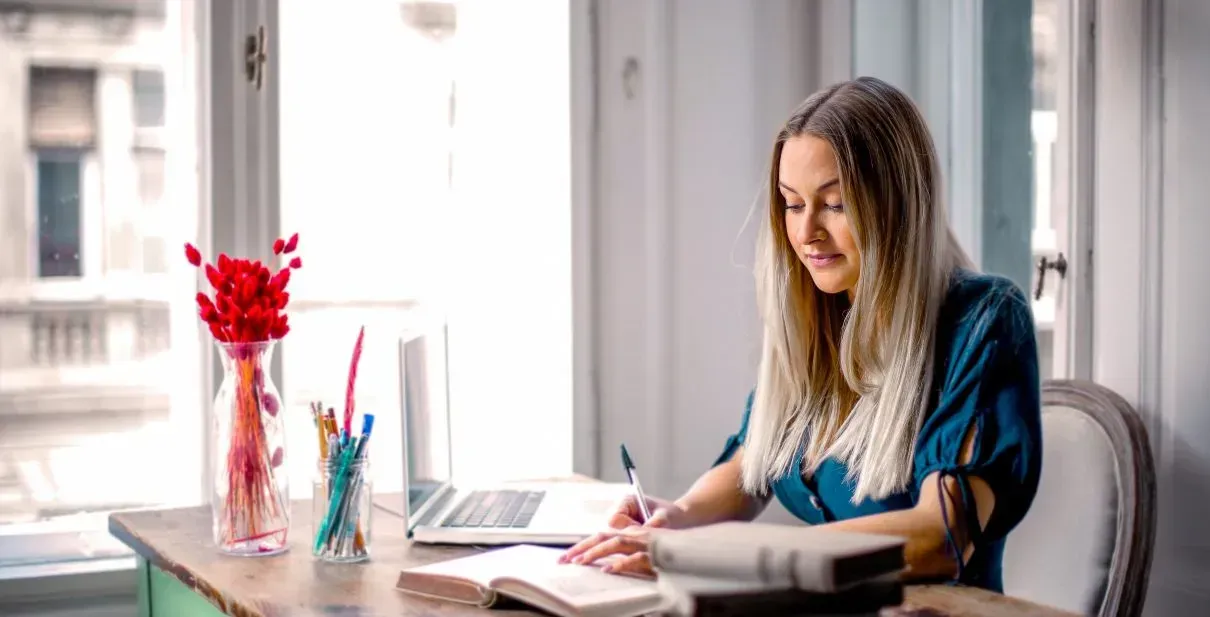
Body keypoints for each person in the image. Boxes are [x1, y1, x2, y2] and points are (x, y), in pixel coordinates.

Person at [559, 76, 1042, 593]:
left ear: (900, 206)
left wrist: (721, 553)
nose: (806, 232)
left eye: (834, 204)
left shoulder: (984, 323)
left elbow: (937, 538)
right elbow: (753, 462)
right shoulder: (820, 315)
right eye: (792, 203)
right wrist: (678, 518)